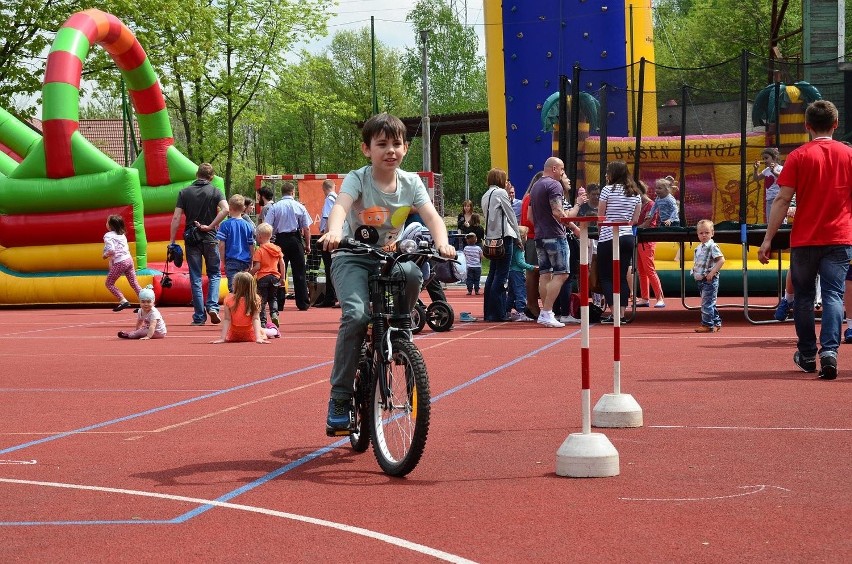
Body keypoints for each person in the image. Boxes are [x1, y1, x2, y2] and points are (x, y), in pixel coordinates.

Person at [318, 112, 455, 434]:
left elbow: (432, 217)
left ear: (406, 148)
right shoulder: (358, 177)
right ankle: (339, 398)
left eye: (396, 144)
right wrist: (334, 231)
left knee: (412, 273)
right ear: (367, 149)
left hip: (390, 257)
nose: (390, 150)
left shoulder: (411, 182)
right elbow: (341, 205)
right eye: (382, 144)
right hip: (353, 256)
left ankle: (402, 335)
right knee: (355, 316)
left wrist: (443, 243)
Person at [758, 100, 852, 380]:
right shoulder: (849, 155)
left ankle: (808, 353)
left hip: (805, 239)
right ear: (835, 124)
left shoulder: (798, 156)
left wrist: (768, 239)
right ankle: (830, 352)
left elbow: (782, 199)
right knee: (834, 294)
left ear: (807, 126)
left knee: (803, 296)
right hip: (839, 237)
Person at [169, 163, 228, 326]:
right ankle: (213, 306)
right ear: (211, 177)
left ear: (197, 174)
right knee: (214, 274)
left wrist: (172, 241)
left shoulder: (184, 192)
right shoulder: (216, 191)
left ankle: (199, 317)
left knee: (195, 276)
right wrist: (210, 225)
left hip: (191, 239)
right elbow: (226, 209)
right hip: (209, 237)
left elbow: (176, 218)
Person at [528, 157, 585, 328]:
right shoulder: (554, 185)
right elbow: (559, 213)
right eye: (561, 169)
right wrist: (577, 206)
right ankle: (547, 311)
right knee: (562, 274)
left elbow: (530, 217)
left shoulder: (536, 186)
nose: (562, 173)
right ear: (554, 168)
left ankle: (547, 312)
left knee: (545, 274)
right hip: (555, 235)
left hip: (540, 235)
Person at [597, 160, 641, 323]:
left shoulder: (607, 190)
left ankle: (614, 312)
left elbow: (601, 217)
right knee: (621, 275)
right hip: (627, 236)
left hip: (609, 235)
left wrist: (602, 233)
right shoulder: (635, 193)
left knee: (607, 277)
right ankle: (621, 313)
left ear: (612, 174)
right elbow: (635, 219)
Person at [265, 181, 313, 311]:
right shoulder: (299, 206)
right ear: (293, 192)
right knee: (299, 272)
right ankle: (303, 303)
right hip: (295, 239)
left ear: (282, 192)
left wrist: (268, 242)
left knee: (279, 272)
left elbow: (267, 226)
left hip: (280, 240)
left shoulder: (275, 207)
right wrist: (307, 245)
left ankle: (278, 303)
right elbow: (306, 228)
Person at [481, 167, 520, 322]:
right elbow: (510, 215)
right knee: (502, 275)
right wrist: (518, 237)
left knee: (492, 274)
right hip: (504, 238)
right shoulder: (501, 193)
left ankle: (489, 312)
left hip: (491, 239)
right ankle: (499, 312)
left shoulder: (485, 195)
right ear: (500, 180)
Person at [210, 271, 270, 344]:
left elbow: (227, 319)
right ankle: (272, 329)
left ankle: (270, 328)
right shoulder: (255, 299)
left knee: (264, 329)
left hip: (234, 335)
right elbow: (256, 318)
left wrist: (222, 338)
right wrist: (258, 338)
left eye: (233, 284)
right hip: (251, 335)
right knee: (265, 329)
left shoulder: (229, 299)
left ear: (237, 286)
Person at [631, 181, 665, 308]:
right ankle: (645, 298)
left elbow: (647, 223)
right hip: (638, 239)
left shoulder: (651, 204)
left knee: (649, 269)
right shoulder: (638, 204)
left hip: (647, 239)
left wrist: (632, 229)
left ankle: (660, 297)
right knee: (641, 270)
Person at [216, 194, 256, 292]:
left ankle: (235, 306)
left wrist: (223, 260)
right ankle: (245, 306)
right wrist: (251, 260)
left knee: (233, 287)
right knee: (244, 288)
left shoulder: (225, 225)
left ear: (230, 207)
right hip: (245, 260)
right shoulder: (248, 225)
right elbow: (252, 245)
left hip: (231, 260)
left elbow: (221, 244)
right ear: (243, 208)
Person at [103, 214, 142, 312]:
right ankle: (145, 303)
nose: (106, 223)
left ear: (110, 225)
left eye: (107, 222)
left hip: (120, 262)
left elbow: (112, 250)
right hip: (129, 260)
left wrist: (105, 255)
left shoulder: (108, 235)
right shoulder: (122, 234)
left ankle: (123, 300)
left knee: (109, 283)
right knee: (134, 283)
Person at [692, 219, 725, 332]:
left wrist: (712, 272)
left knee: (706, 303)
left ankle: (707, 325)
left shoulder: (712, 246)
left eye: (707, 232)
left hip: (710, 279)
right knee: (710, 302)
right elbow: (699, 263)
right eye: (701, 233)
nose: (704, 235)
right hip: (701, 280)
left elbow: (721, 260)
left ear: (712, 233)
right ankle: (716, 322)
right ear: (697, 234)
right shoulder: (698, 248)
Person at [250, 222, 285, 328]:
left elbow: (257, 267)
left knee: (262, 300)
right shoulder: (277, 249)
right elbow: (282, 264)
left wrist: (249, 274)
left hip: (263, 278)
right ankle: (274, 314)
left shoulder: (259, 251)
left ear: (260, 237)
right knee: (273, 298)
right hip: (275, 277)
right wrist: (282, 277)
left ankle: (263, 322)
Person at [520, 172, 544, 319]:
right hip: (533, 238)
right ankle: (532, 304)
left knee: (533, 273)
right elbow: (528, 220)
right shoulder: (530, 199)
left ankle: (532, 304)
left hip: (532, 237)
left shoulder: (527, 198)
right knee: (533, 273)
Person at [507, 225, 537, 321]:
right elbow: (520, 263)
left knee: (511, 293)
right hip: (517, 272)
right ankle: (521, 312)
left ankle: (507, 310)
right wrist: (532, 267)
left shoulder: (512, 247)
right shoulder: (519, 248)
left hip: (511, 271)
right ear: (523, 237)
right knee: (520, 292)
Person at [316, 179, 338, 307]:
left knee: (329, 268)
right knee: (333, 267)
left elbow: (329, 217)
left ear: (323, 188)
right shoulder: (337, 198)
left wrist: (325, 235)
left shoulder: (329, 199)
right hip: (337, 236)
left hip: (330, 237)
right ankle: (333, 295)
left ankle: (330, 297)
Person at [753, 147, 783, 223]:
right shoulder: (766, 170)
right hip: (769, 199)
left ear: (775, 157)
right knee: (770, 220)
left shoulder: (780, 168)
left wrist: (773, 172)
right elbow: (756, 178)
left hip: (778, 198)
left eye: (766, 158)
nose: (764, 161)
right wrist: (756, 169)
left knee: (780, 219)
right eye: (763, 159)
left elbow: (783, 177)